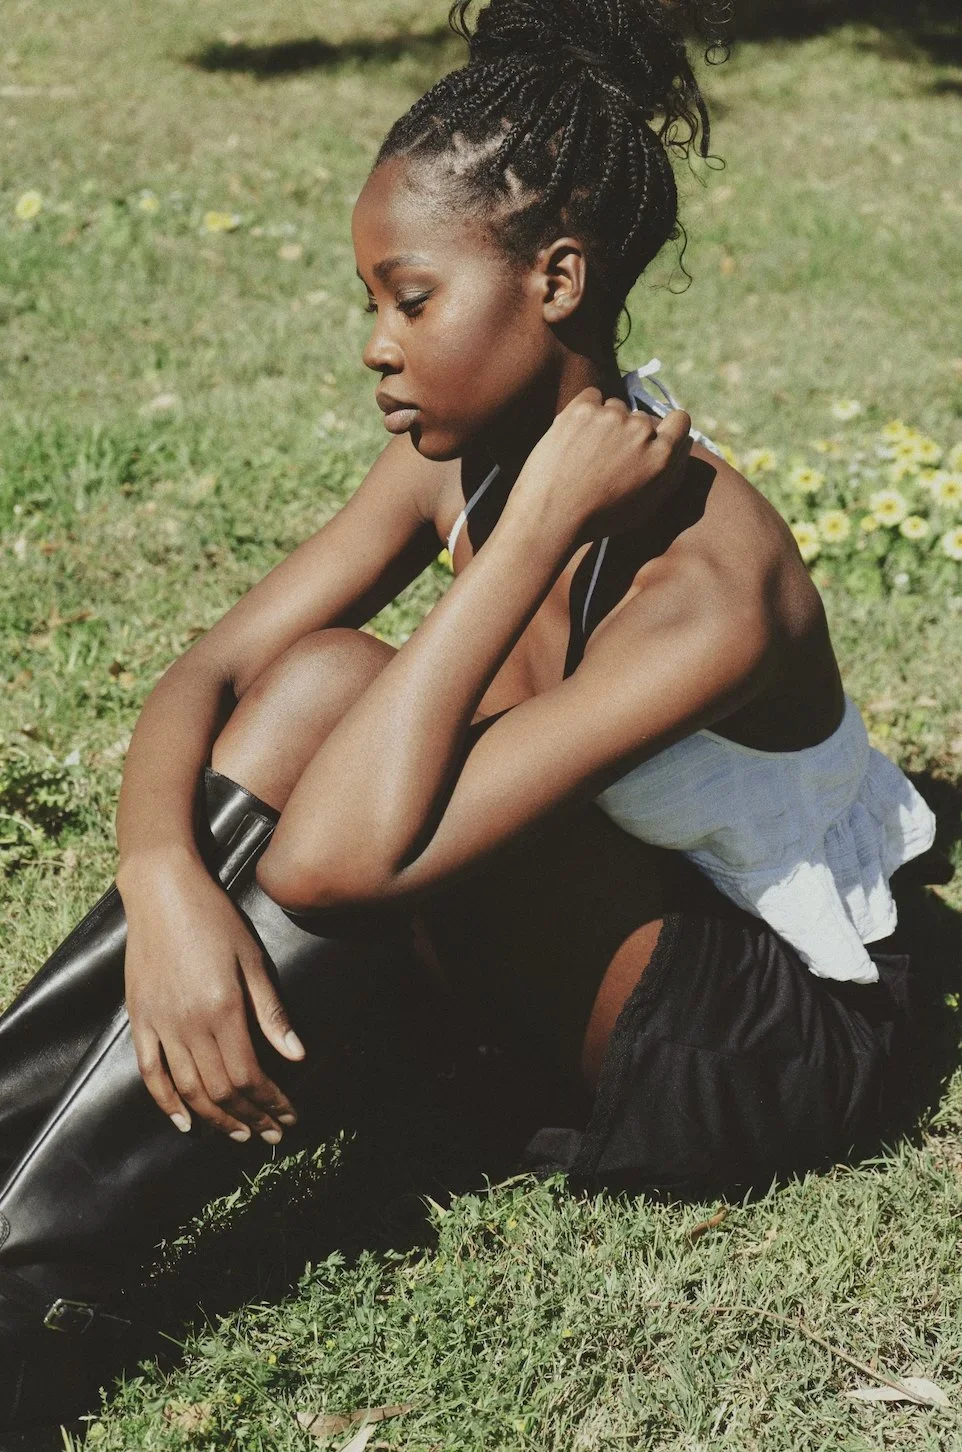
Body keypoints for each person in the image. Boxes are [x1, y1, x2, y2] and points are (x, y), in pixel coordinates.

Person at [0, 0, 945, 1433]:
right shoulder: (459, 454)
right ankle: (20, 1203)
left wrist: (518, 548)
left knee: (351, 715)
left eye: (410, 297)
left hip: (742, 1045)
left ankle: (38, 1291)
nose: (377, 346)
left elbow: (329, 867)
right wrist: (162, 879)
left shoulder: (709, 584)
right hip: (570, 948)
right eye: (370, 304)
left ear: (555, 277)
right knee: (321, 674)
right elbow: (206, 675)